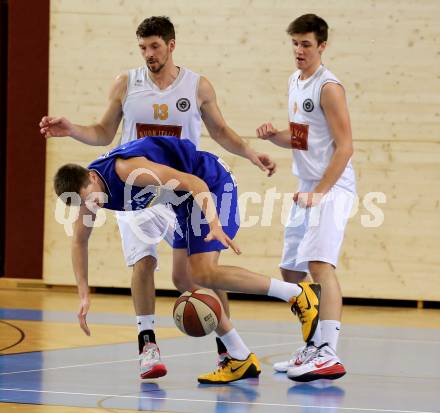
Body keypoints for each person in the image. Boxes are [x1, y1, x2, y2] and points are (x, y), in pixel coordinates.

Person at [40, 16, 275, 380]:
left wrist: (250, 153)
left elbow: (221, 131)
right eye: (143, 48)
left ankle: (229, 352)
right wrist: (72, 129)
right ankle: (147, 345)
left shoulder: (197, 86)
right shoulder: (126, 83)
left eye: (155, 47)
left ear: (171, 45)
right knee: (143, 262)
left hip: (179, 187)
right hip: (133, 188)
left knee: (203, 273)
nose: (149, 54)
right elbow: (104, 133)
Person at [53, 135, 322, 383]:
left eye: (91, 198)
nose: (93, 205)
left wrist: (214, 222)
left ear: (91, 177)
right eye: (84, 204)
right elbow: (79, 241)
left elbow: (195, 183)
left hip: (210, 182)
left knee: (204, 273)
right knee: (182, 278)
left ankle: (297, 294)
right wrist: (84, 295)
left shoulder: (127, 171)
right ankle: (240, 357)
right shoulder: (87, 195)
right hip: (183, 202)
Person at [256, 14, 355, 382]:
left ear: (322, 46)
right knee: (291, 271)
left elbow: (345, 148)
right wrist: (274, 136)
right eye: (295, 43)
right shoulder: (295, 82)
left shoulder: (329, 87)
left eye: (306, 44)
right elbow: (302, 137)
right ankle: (312, 345)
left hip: (331, 187)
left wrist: (320, 193)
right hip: (308, 188)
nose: (299, 50)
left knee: (319, 265)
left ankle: (328, 351)